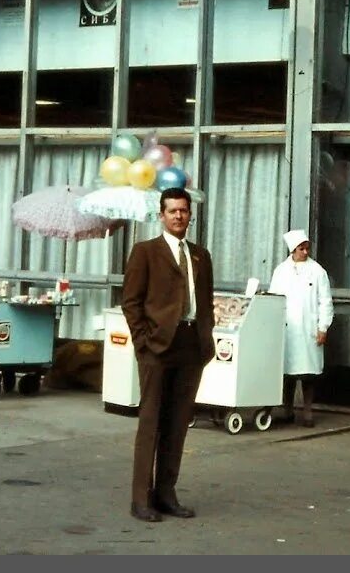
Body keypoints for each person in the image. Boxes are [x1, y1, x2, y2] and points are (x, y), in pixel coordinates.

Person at [121, 187, 214, 522]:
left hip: (191, 346)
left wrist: (207, 339)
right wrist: (144, 342)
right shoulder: (146, 252)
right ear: (161, 215)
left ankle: (166, 494)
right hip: (157, 348)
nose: (178, 216)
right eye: (172, 210)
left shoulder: (201, 255)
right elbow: (131, 302)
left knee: (177, 425)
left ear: (190, 215)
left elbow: (205, 300)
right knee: (151, 423)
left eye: (183, 211)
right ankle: (140, 499)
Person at [268, 229, 334, 428]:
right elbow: (273, 299)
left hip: (308, 329)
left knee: (308, 374)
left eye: (306, 248)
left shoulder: (317, 271)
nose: (305, 252)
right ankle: (287, 409)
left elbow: (326, 301)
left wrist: (323, 327)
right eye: (301, 248)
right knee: (287, 373)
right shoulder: (281, 271)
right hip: (287, 329)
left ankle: (307, 410)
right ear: (292, 250)